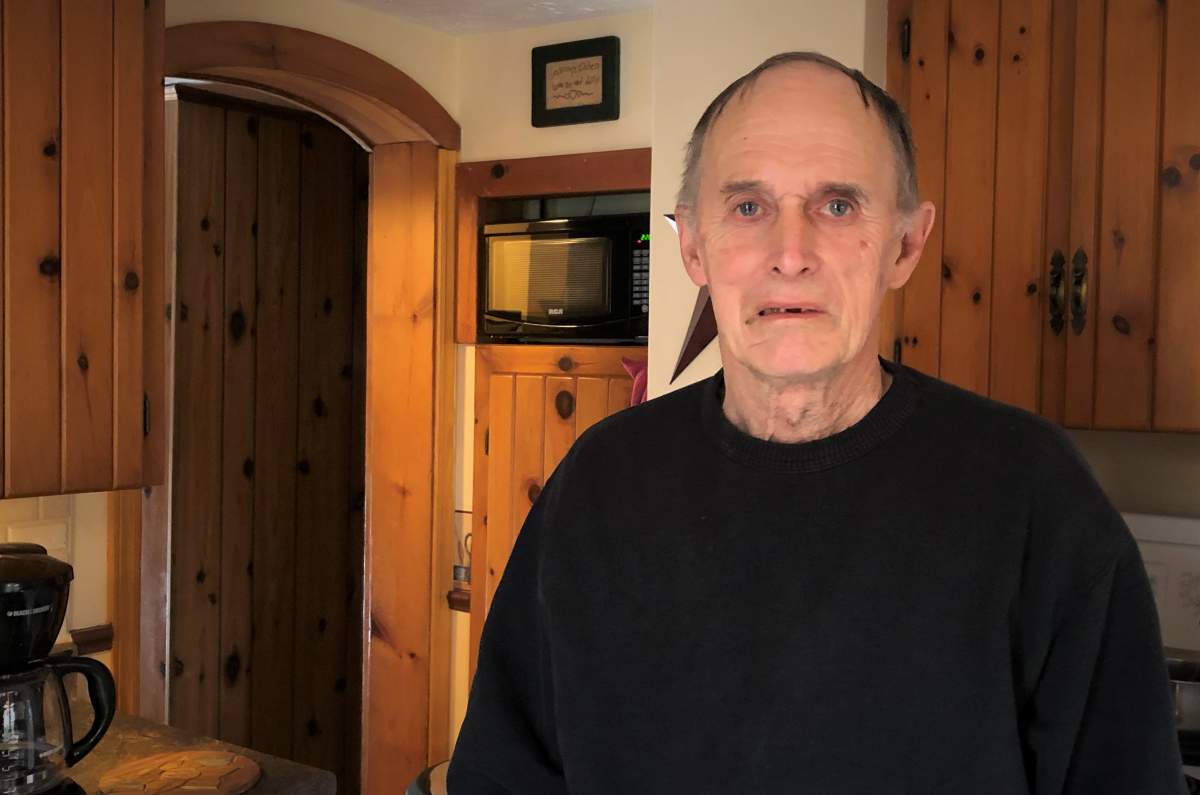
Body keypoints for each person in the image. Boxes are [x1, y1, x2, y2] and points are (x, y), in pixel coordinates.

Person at [447, 52, 1185, 794]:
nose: (790, 254)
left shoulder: (1035, 498)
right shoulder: (597, 488)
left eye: (837, 205)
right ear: (693, 245)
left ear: (906, 244)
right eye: (748, 206)